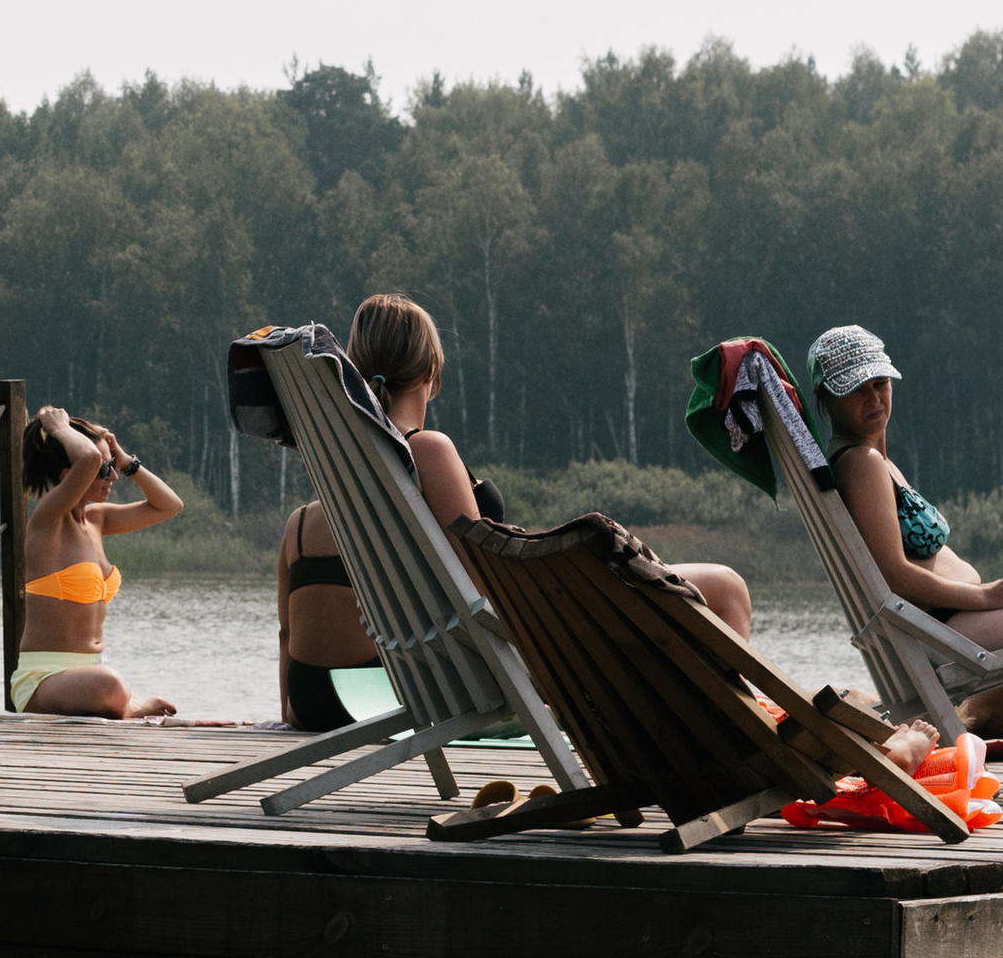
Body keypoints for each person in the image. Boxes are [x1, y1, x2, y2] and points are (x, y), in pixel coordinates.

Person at [276, 290, 754, 731]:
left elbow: (286, 635)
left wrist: (289, 715)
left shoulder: (303, 521)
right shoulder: (429, 452)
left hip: (315, 698)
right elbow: (484, 593)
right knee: (723, 587)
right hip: (434, 685)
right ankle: (732, 746)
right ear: (430, 374)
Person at [810, 324, 1003, 711]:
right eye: (855, 389)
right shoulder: (861, 463)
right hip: (944, 634)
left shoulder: (871, 459)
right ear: (826, 398)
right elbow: (894, 575)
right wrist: (987, 595)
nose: (873, 399)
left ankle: (978, 715)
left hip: (949, 625)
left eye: (880, 383)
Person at [10, 406, 184, 717]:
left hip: (89, 675)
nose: (113, 476)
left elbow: (169, 505)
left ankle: (124, 703)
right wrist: (61, 429)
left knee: (108, 682)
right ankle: (132, 705)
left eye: (112, 466)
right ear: (70, 475)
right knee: (110, 684)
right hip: (43, 680)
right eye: (106, 469)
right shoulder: (48, 521)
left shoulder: (97, 520)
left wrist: (126, 459)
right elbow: (88, 459)